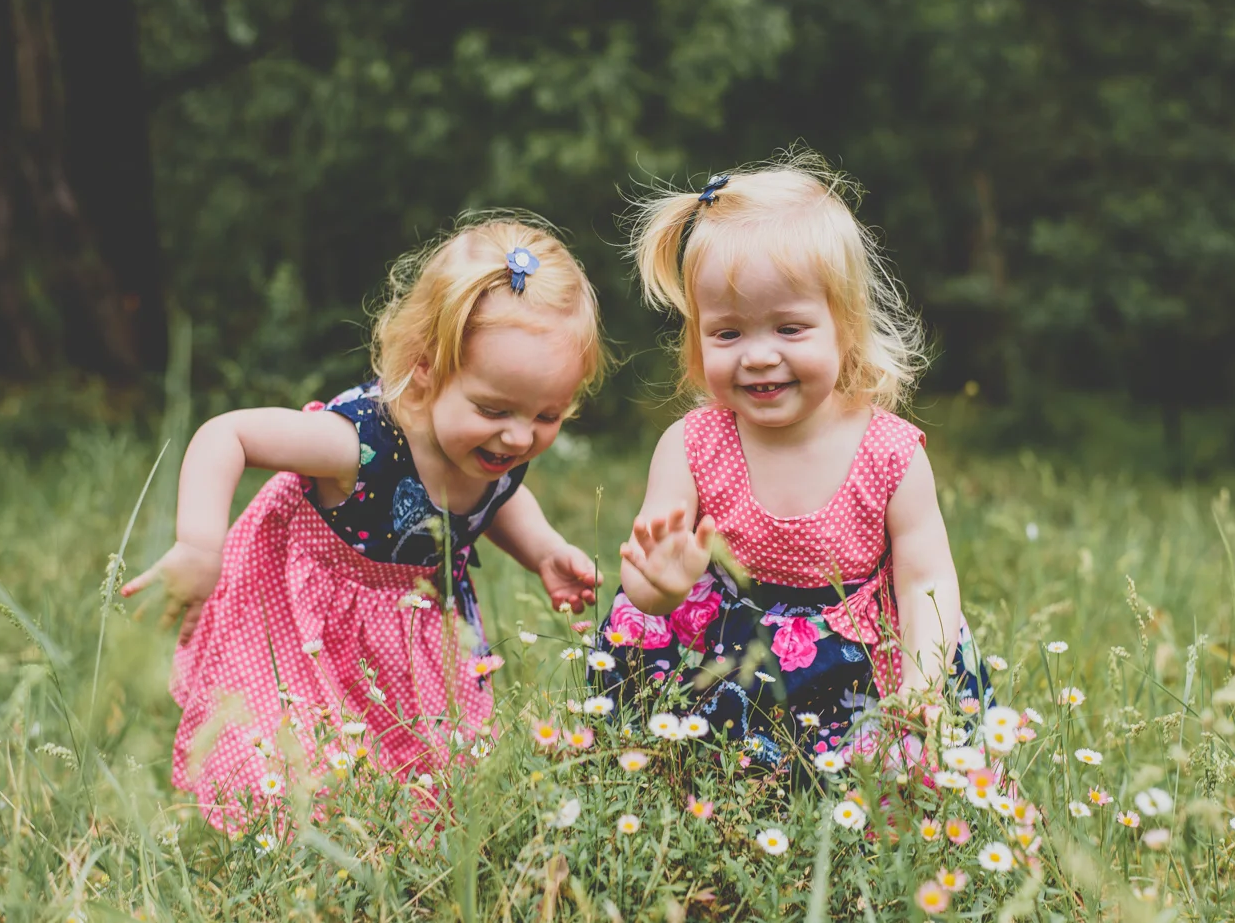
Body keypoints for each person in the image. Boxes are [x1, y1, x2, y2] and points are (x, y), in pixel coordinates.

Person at [123, 216, 605, 832]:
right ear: (428, 368)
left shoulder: (498, 450)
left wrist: (542, 550)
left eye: (548, 414)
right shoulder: (355, 444)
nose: (518, 436)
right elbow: (229, 434)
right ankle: (291, 867)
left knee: (430, 778)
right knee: (289, 758)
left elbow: (497, 495)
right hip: (304, 614)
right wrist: (197, 544)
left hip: (416, 626)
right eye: (493, 409)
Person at [598, 153, 990, 768]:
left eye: (789, 329)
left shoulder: (889, 454)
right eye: (728, 333)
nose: (757, 356)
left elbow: (927, 582)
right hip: (730, 667)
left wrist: (924, 682)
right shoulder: (692, 445)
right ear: (697, 339)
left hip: (858, 676)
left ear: (846, 327)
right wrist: (660, 588)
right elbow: (645, 578)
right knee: (692, 761)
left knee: (895, 783)